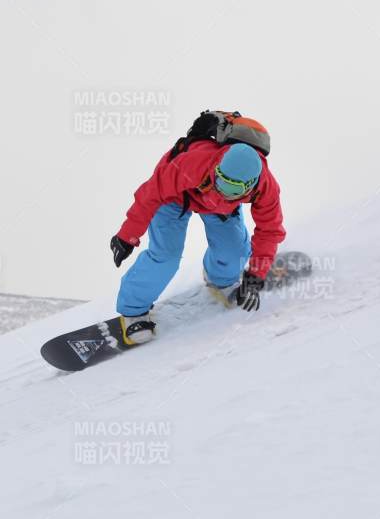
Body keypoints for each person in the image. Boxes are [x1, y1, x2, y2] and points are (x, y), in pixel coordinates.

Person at [107, 113, 286, 345]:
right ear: (219, 168)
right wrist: (127, 236)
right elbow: (150, 194)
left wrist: (255, 276)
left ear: (250, 186)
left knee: (234, 250)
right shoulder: (192, 164)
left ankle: (221, 280)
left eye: (233, 189)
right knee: (166, 256)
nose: (223, 189)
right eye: (221, 181)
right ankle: (133, 311)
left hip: (220, 208)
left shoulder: (266, 187)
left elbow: (270, 230)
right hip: (175, 198)